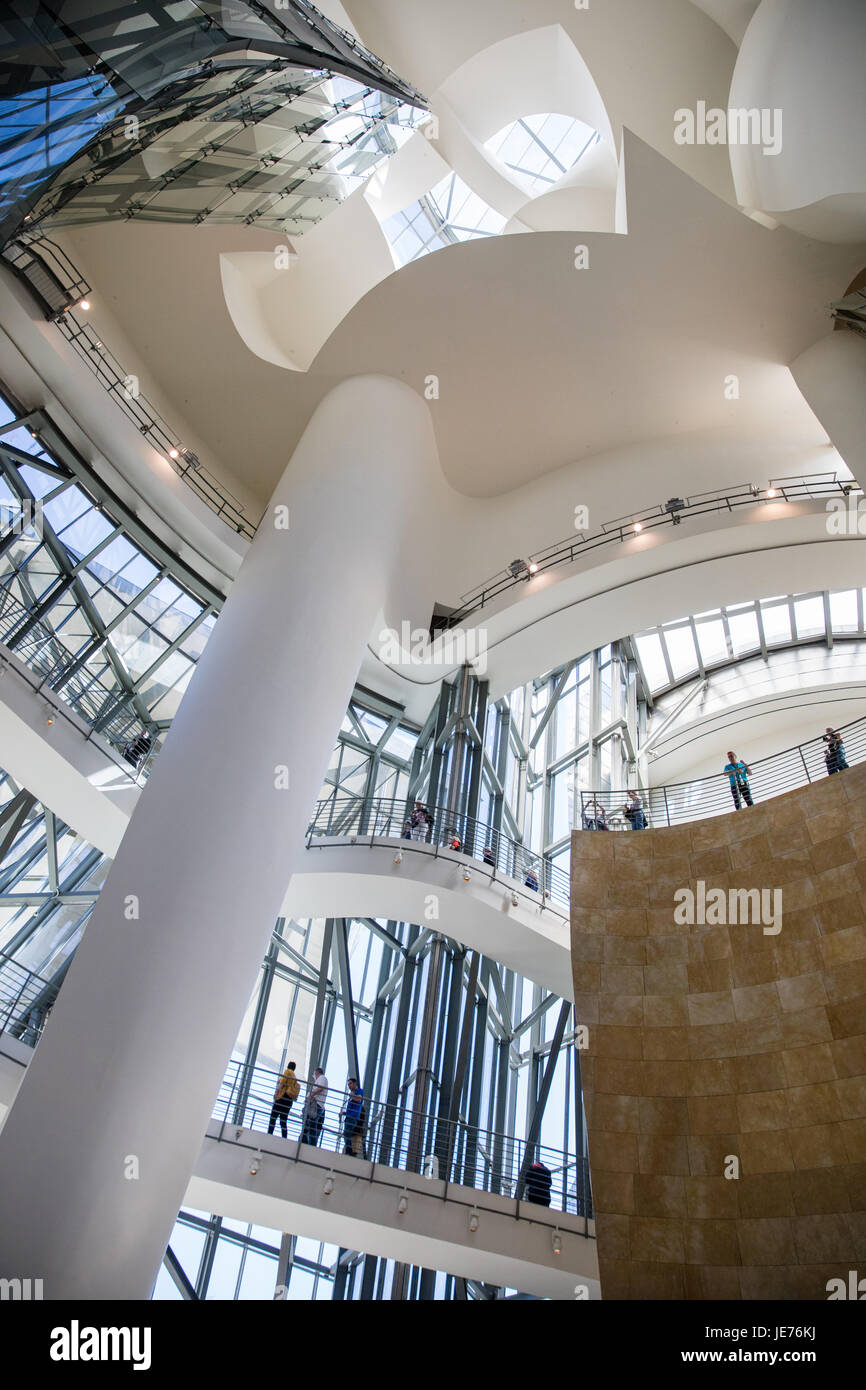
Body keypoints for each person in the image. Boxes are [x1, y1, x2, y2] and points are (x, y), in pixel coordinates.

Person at [267, 1061, 300, 1138]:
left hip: (282, 1097)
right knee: (283, 1120)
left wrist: (276, 1094)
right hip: (289, 1101)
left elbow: (281, 1084)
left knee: (273, 1117)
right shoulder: (295, 1077)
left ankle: (269, 1134)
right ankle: (284, 1137)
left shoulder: (287, 1072)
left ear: (288, 1066)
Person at [300, 1067, 328, 1146]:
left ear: (316, 1073)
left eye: (314, 1075)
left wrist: (310, 1096)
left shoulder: (322, 1078)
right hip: (315, 1104)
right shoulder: (321, 1079)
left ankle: (306, 1143)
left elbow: (320, 1088)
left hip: (315, 1105)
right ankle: (307, 1143)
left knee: (309, 1124)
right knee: (310, 1125)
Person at [343, 1077, 366, 1158]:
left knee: (346, 1133)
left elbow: (358, 1099)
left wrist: (352, 1095)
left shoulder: (358, 1091)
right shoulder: (352, 1094)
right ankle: (349, 1151)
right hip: (349, 1116)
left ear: (355, 1084)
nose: (349, 1086)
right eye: (348, 1084)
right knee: (346, 1133)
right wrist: (344, 1113)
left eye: (350, 1084)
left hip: (353, 1117)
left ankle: (349, 1151)